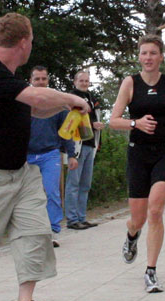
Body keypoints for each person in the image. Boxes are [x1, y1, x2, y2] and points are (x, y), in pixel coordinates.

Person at [0, 13, 90, 301]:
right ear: (24, 42)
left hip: (20, 172)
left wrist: (66, 108)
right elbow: (36, 96)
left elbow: (37, 106)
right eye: (32, 40)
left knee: (36, 232)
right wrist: (72, 97)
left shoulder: (10, 78)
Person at [109, 34, 165, 293]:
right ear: (139, 56)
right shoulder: (130, 83)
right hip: (138, 153)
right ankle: (132, 236)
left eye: (153, 53)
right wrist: (136, 123)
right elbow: (113, 120)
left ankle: (151, 272)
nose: (148, 58)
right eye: (144, 53)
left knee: (155, 211)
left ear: (161, 56)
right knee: (138, 218)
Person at [27, 65, 78, 247]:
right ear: (30, 81)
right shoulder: (24, 102)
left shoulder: (57, 103)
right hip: (27, 156)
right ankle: (31, 232)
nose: (40, 82)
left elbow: (66, 131)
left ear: (48, 80)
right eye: (37, 79)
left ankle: (53, 230)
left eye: (44, 79)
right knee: (28, 197)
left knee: (52, 193)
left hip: (50, 154)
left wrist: (71, 155)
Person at [64, 70, 105, 230]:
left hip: (90, 144)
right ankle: (72, 219)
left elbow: (95, 118)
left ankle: (81, 217)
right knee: (73, 183)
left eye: (87, 81)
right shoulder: (70, 98)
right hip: (76, 145)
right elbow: (70, 120)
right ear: (75, 82)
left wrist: (97, 128)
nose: (84, 83)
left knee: (85, 184)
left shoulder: (93, 99)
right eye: (81, 81)